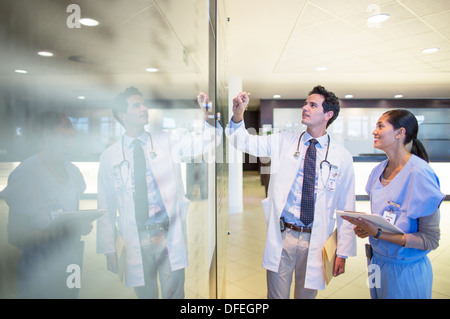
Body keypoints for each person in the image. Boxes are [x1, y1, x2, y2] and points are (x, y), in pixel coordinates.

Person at [225, 85, 356, 299]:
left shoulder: (342, 156)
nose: (305, 107)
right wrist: (238, 113)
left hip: (316, 238)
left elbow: (347, 208)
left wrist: (342, 252)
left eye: (313, 105)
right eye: (306, 103)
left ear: (328, 115)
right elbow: (244, 141)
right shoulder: (284, 140)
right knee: (276, 296)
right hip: (283, 234)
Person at [96, 87, 220, 299]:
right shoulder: (110, 157)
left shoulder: (166, 141)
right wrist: (109, 249)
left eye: (144, 104)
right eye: (136, 105)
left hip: (166, 235)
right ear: (121, 115)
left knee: (175, 295)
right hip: (135, 238)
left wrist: (208, 116)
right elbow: (105, 206)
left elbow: (205, 142)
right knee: (146, 296)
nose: (144, 108)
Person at [342, 109, 444, 299]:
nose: (374, 131)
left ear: (400, 133)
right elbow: (386, 220)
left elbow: (430, 240)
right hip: (376, 263)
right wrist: (368, 229)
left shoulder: (420, 174)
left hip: (406, 270)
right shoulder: (377, 171)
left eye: (380, 126)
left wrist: (379, 233)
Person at [0, 111, 91, 299]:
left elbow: (74, 214)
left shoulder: (73, 172)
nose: (73, 133)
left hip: (71, 263)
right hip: (38, 267)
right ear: (48, 134)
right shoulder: (26, 173)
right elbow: (15, 235)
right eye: (66, 127)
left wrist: (82, 224)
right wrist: (55, 233)